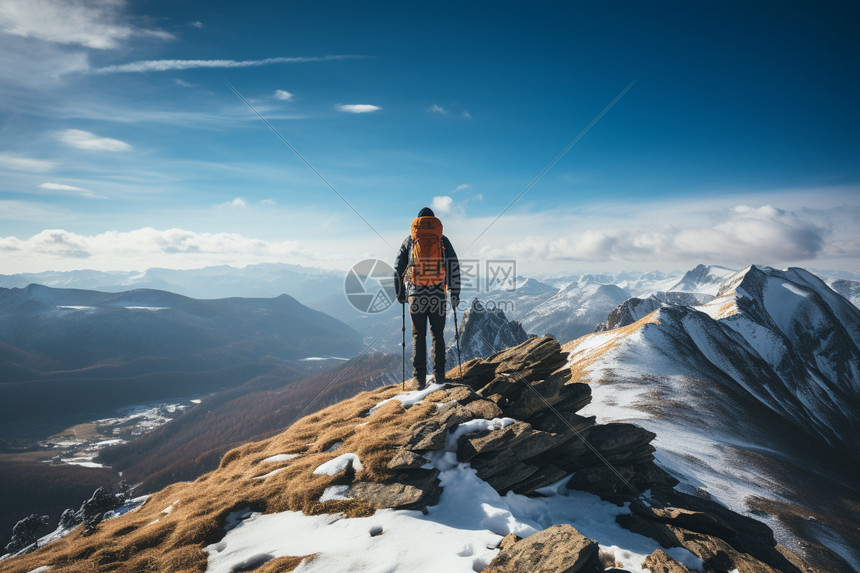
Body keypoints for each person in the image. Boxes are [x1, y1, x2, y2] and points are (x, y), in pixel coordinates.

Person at [394, 207, 461, 389]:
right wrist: (455, 294)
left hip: (416, 294)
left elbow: (397, 268)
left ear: (417, 223)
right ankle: (439, 376)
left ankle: (419, 379)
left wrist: (400, 293)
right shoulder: (442, 240)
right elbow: (453, 267)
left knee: (418, 336)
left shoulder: (410, 240)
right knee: (437, 335)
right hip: (438, 293)